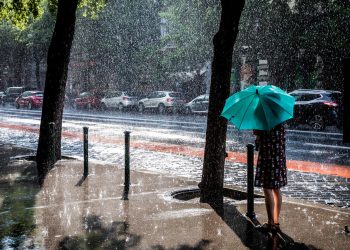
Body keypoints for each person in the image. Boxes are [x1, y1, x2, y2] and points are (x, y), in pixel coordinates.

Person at [253, 123, 287, 233]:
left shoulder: (263, 117)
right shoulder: (280, 116)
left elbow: (259, 139)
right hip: (279, 155)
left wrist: (257, 134)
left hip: (268, 155)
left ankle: (270, 223)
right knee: (276, 188)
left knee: (267, 188)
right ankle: (276, 222)